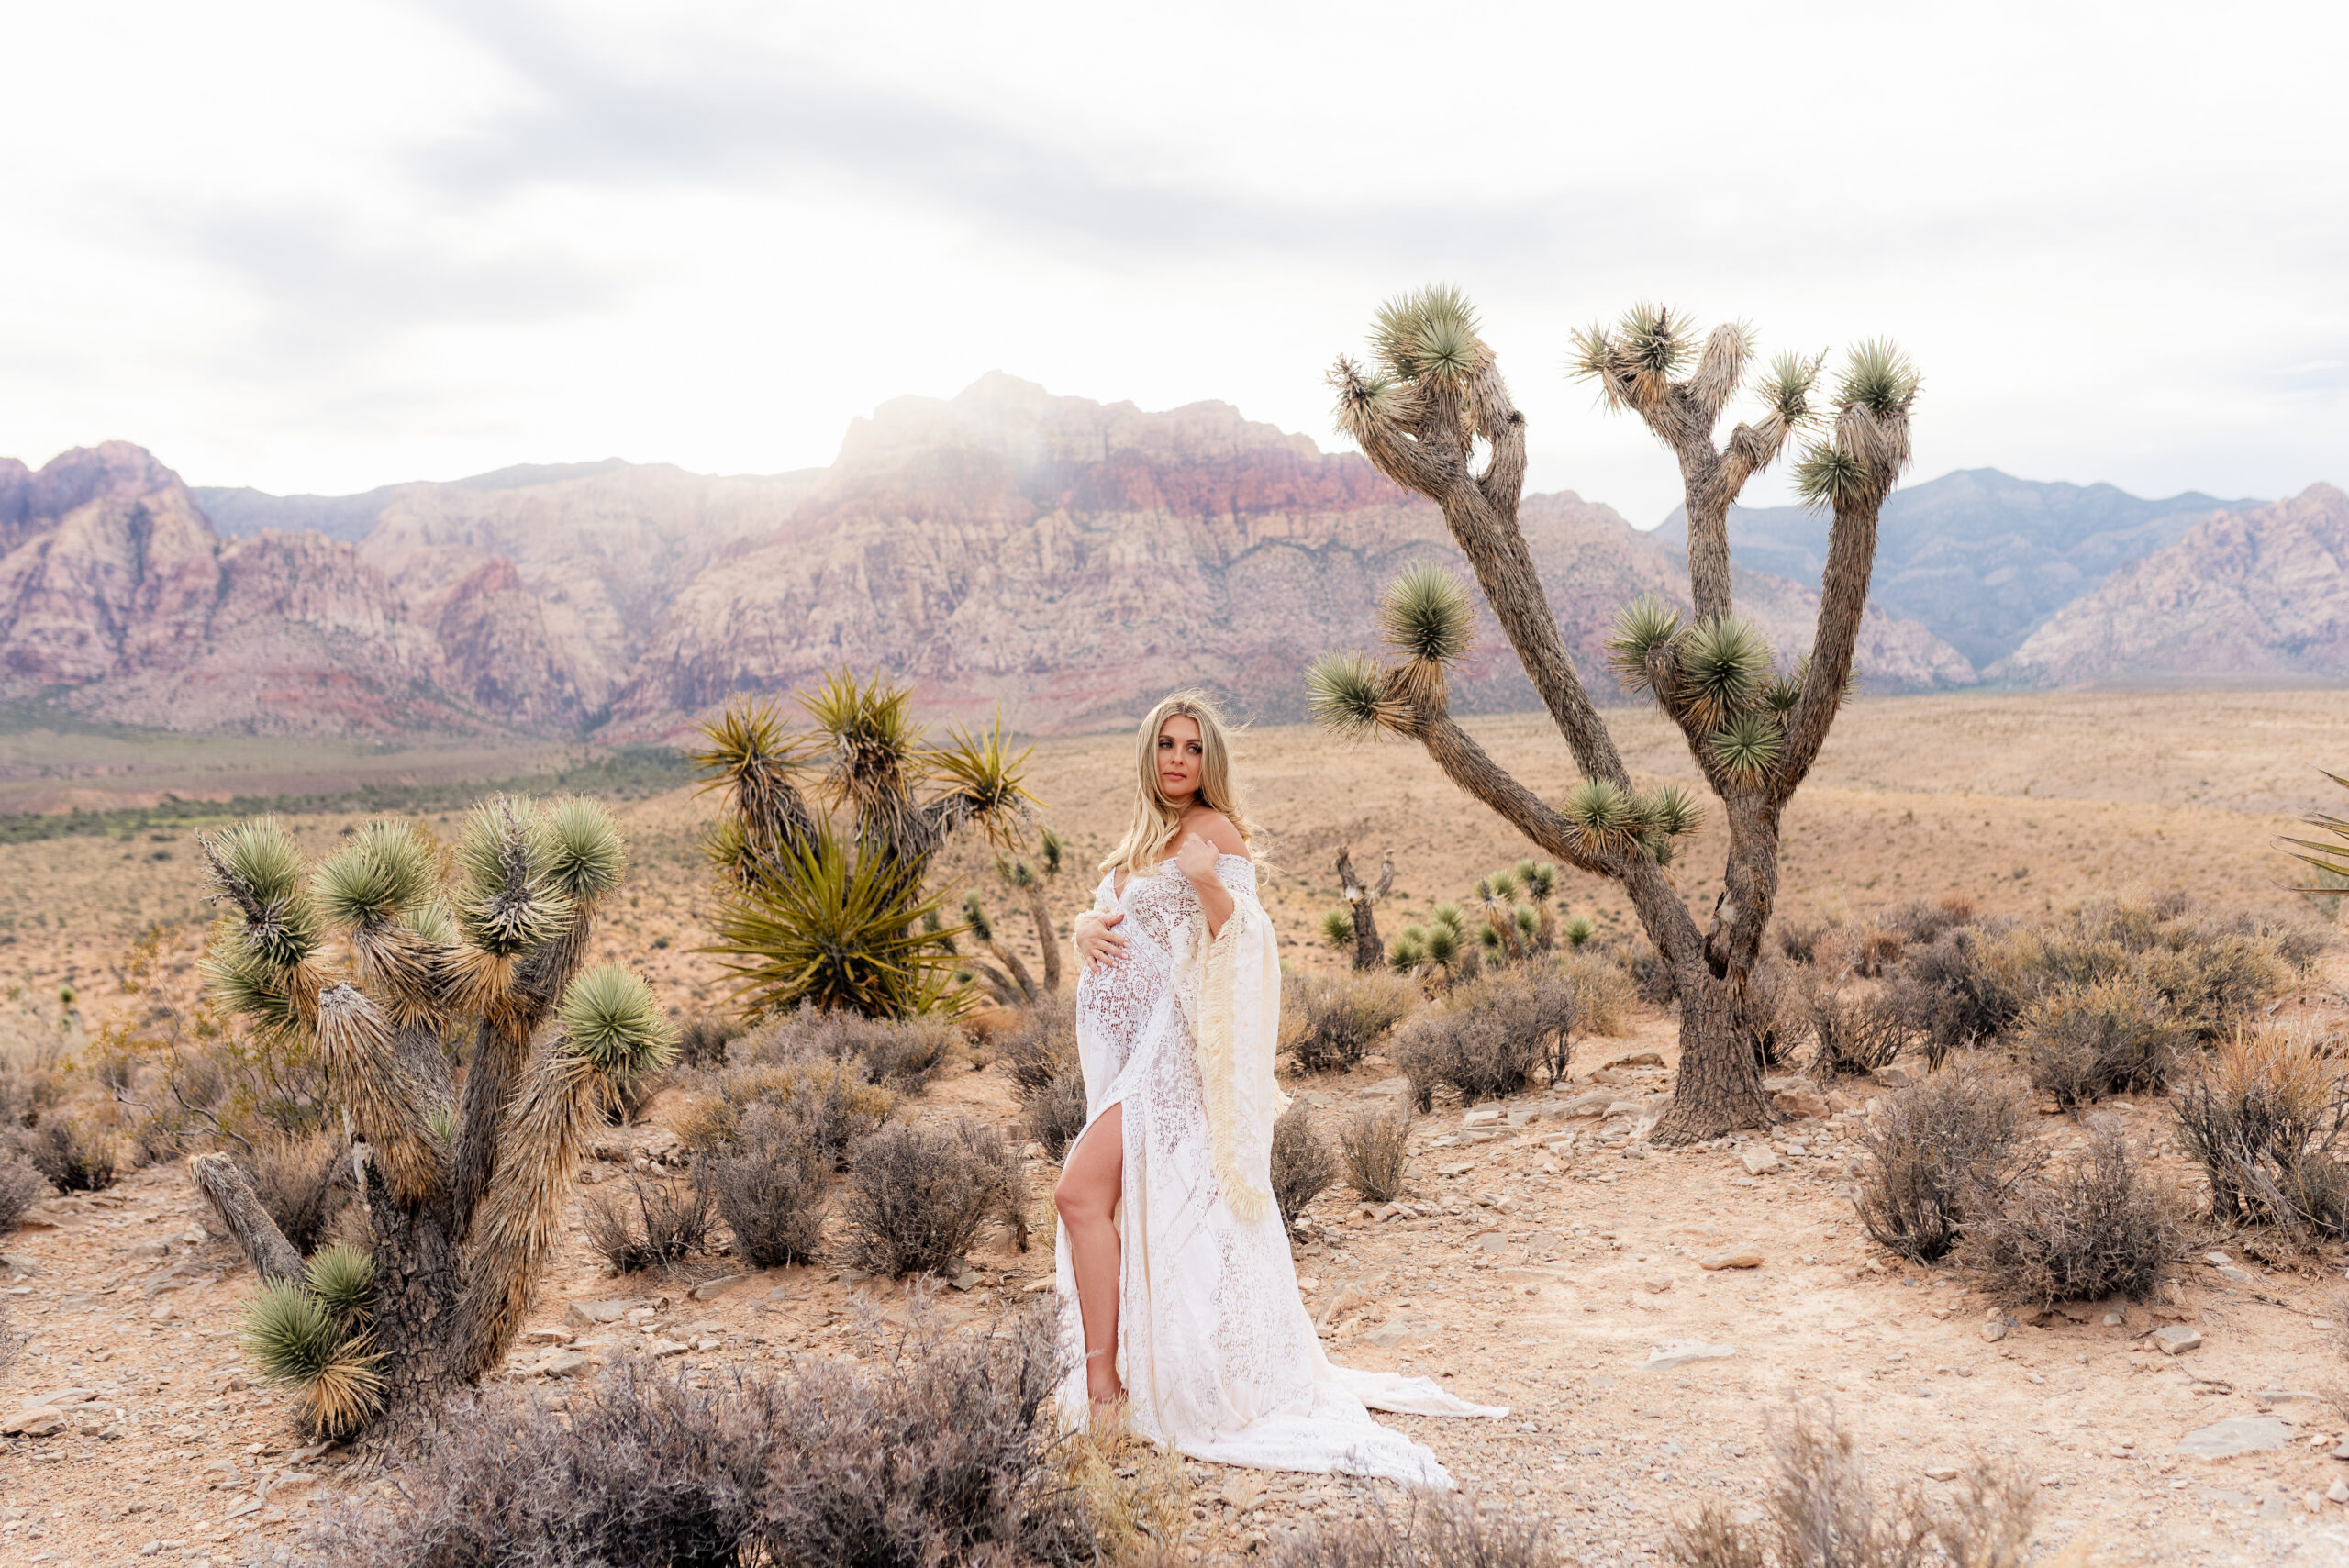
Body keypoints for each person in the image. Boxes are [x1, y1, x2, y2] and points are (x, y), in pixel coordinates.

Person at [1053, 691, 1503, 1485]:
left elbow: (1250, 942)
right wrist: (1082, 930)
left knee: (1078, 1192)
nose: (1179, 759)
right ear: (1148, 753)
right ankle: (1116, 1378)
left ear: (1209, 760)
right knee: (1098, 1201)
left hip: (1177, 1065)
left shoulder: (1214, 833)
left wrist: (1208, 885)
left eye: (1194, 747)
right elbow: (1107, 922)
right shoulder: (1134, 842)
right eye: (1167, 743)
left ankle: (1110, 1390)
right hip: (1133, 1061)